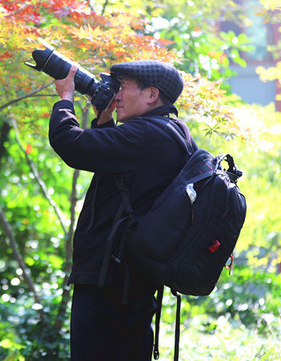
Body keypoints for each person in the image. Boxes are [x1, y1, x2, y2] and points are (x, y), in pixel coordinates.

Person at [48, 60, 195, 360]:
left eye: (122, 87)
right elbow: (120, 176)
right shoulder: (172, 133)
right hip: (131, 283)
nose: (115, 95)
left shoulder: (148, 134)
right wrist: (104, 119)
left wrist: (66, 96)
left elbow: (69, 143)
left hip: (109, 284)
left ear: (151, 94)